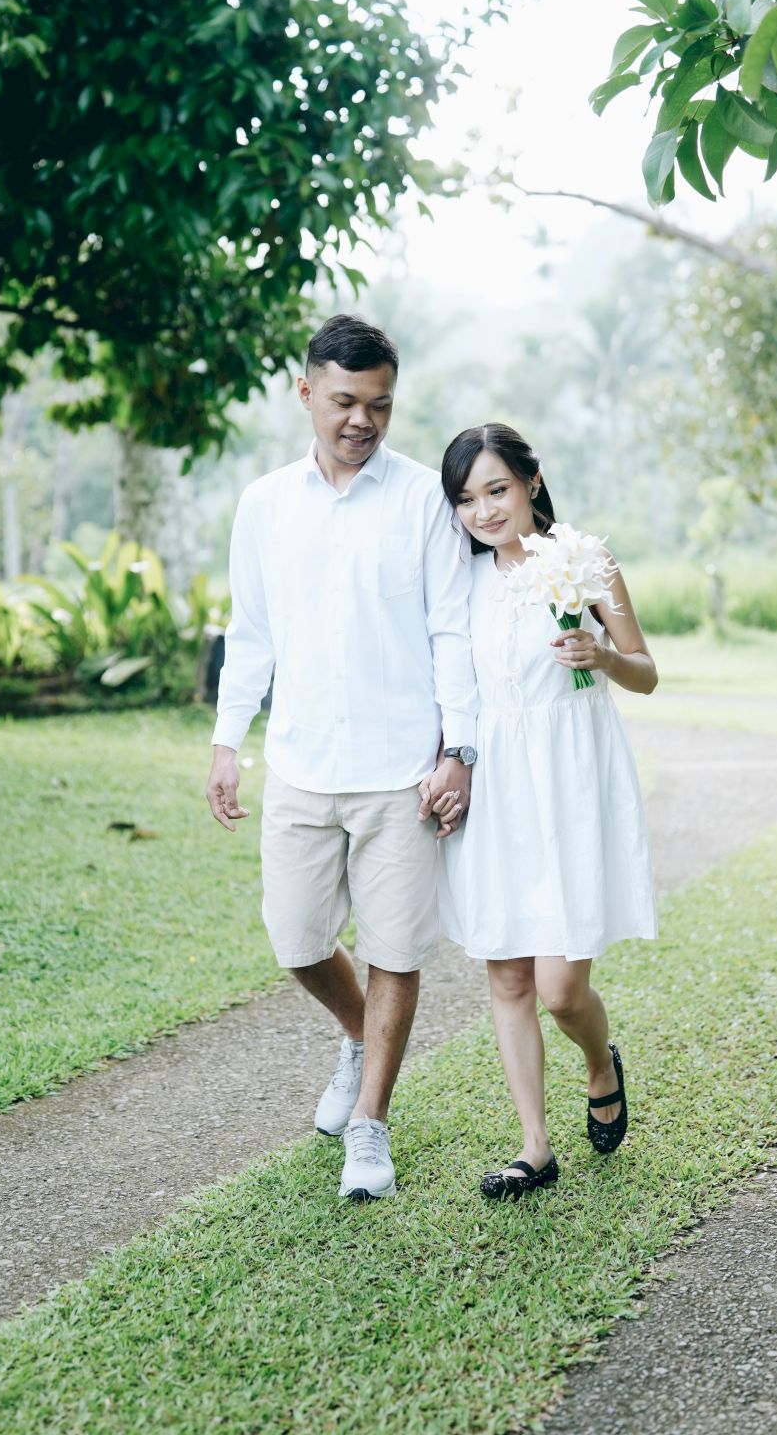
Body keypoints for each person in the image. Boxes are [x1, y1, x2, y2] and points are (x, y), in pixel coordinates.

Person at [205, 315, 478, 1202]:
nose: (362, 420)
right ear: (306, 393)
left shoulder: (423, 500)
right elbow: (249, 633)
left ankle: (369, 1122)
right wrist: (226, 741)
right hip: (300, 763)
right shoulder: (264, 504)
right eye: (345, 401)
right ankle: (361, 1036)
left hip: (401, 770)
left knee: (395, 949)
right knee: (295, 939)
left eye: (380, 405)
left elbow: (450, 630)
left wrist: (457, 751)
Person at [434, 422, 657, 1203]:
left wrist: (603, 656)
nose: (484, 511)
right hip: (497, 786)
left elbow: (646, 672)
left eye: (496, 489)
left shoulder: (585, 561)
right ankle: (534, 1146)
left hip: (568, 783)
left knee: (560, 990)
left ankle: (599, 1062)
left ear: (531, 481)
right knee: (507, 976)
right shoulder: (459, 580)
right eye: (466, 499)